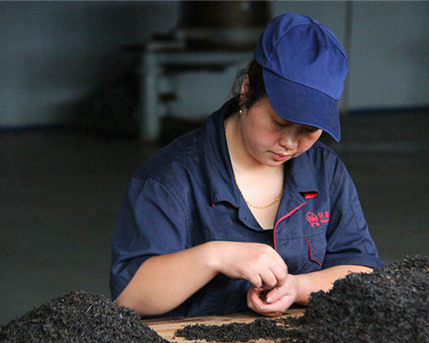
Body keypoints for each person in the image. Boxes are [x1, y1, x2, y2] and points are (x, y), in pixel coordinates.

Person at [110, 13, 384, 318]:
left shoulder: (325, 172)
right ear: (246, 91)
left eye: (309, 131)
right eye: (280, 123)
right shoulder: (170, 178)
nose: (290, 144)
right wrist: (215, 256)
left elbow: (362, 272)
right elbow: (130, 296)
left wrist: (298, 286)